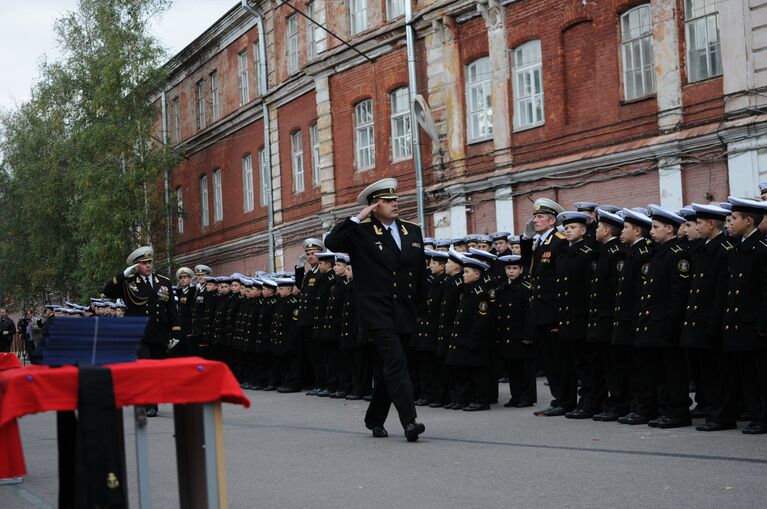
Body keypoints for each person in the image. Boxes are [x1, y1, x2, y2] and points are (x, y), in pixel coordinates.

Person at [324, 177, 427, 442]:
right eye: (388, 201)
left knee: (391, 368)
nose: (395, 204)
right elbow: (332, 243)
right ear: (374, 206)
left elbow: (419, 274)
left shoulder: (412, 231)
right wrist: (358, 217)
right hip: (376, 311)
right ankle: (410, 421)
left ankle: (374, 418)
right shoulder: (360, 232)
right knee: (396, 362)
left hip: (404, 310)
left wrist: (421, 309)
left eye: (396, 200)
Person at [102, 246, 181, 417]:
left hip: (159, 332)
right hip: (139, 334)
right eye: (143, 263)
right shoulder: (129, 282)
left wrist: (176, 332)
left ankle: (150, 398)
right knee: (146, 368)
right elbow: (107, 292)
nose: (148, 266)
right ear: (136, 266)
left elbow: (171, 309)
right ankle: (149, 404)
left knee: (156, 369)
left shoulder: (163, 281)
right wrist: (123, 274)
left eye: (149, 262)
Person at [633, 205, 692, 429]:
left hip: (667, 325)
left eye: (656, 227)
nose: (651, 231)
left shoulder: (677, 255)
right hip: (654, 324)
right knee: (661, 372)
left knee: (673, 372)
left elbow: (677, 296)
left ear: (670, 229)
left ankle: (679, 411)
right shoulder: (659, 254)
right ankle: (666, 409)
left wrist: (671, 326)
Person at [719, 197, 767, 434]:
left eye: (734, 218)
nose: (730, 222)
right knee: (746, 375)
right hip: (738, 324)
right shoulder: (739, 248)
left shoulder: (761, 249)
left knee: (759, 376)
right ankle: (756, 415)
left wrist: (763, 324)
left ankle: (763, 417)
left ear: (748, 221)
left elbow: (765, 291)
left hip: (753, 325)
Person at [521, 197, 568, 417]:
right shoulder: (541, 242)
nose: (535, 220)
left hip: (553, 311)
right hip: (541, 310)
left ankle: (565, 400)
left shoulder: (559, 241)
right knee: (549, 359)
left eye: (540, 217)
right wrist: (525, 239)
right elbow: (528, 269)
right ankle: (559, 398)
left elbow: (559, 278)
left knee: (559, 359)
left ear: (551, 221)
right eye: (535, 216)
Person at [494, 254, 537, 408]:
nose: (511, 271)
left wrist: (528, 335)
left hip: (521, 334)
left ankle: (527, 397)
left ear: (521, 270)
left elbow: (529, 314)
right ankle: (516, 395)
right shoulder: (502, 287)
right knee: (512, 367)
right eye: (508, 268)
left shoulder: (526, 288)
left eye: (514, 268)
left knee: (525, 368)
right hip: (507, 334)